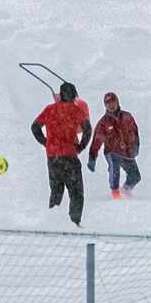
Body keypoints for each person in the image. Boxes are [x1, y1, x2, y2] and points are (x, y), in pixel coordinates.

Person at [31, 82, 92, 226]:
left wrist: (45, 142)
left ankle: (52, 220)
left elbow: (34, 127)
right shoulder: (76, 110)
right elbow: (87, 129)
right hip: (69, 157)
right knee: (76, 192)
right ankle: (75, 222)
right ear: (73, 95)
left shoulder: (49, 109)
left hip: (52, 157)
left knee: (56, 191)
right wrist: (81, 146)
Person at [87, 92, 141, 200]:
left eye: (113, 102)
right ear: (105, 106)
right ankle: (115, 193)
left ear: (117, 102)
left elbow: (135, 132)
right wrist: (92, 157)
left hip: (127, 151)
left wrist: (136, 146)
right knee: (114, 171)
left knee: (135, 176)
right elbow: (97, 141)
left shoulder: (127, 117)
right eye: (108, 103)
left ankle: (125, 190)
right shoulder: (103, 123)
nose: (111, 105)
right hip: (112, 152)